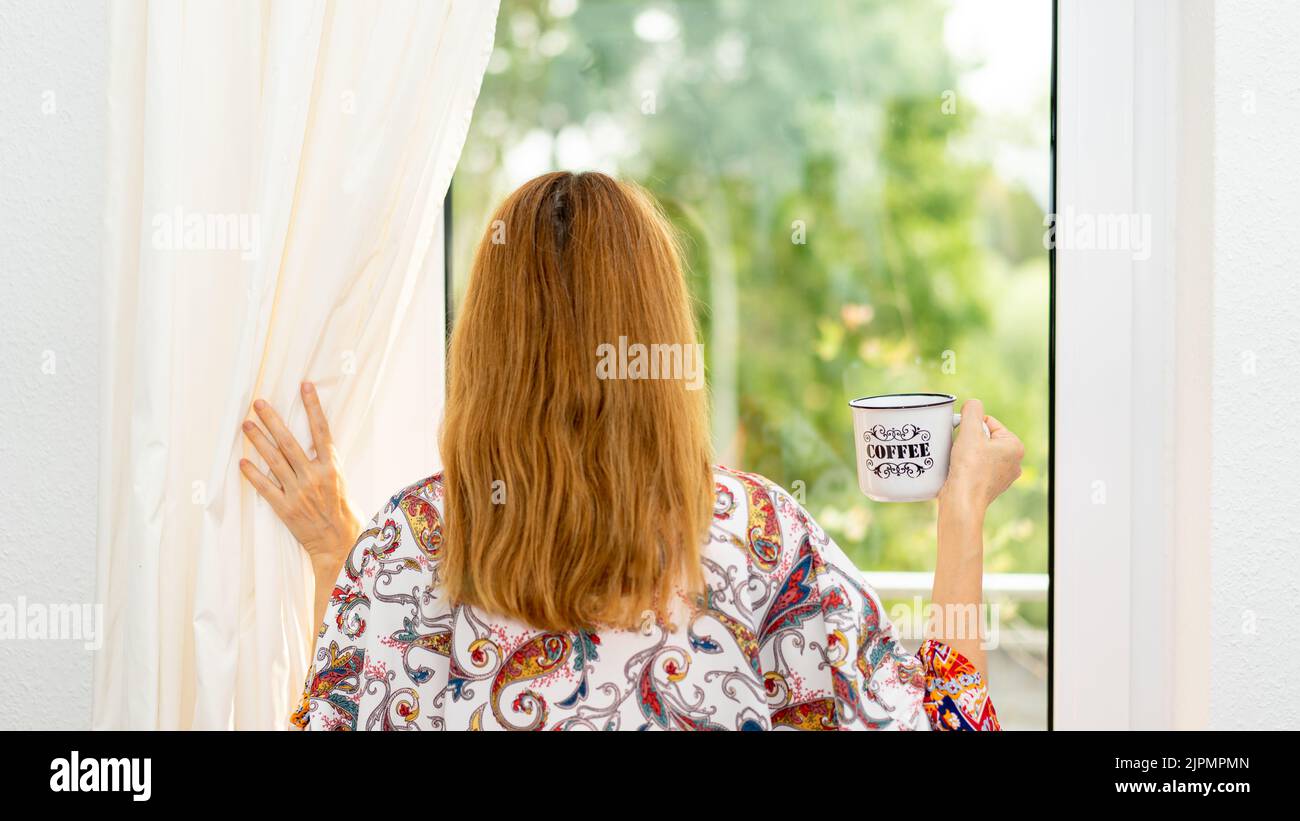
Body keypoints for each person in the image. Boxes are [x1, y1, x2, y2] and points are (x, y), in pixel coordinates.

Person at [239, 171, 1023, 731]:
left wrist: (338, 556)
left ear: (483, 346)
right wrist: (961, 515)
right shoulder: (759, 536)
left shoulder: (404, 542)